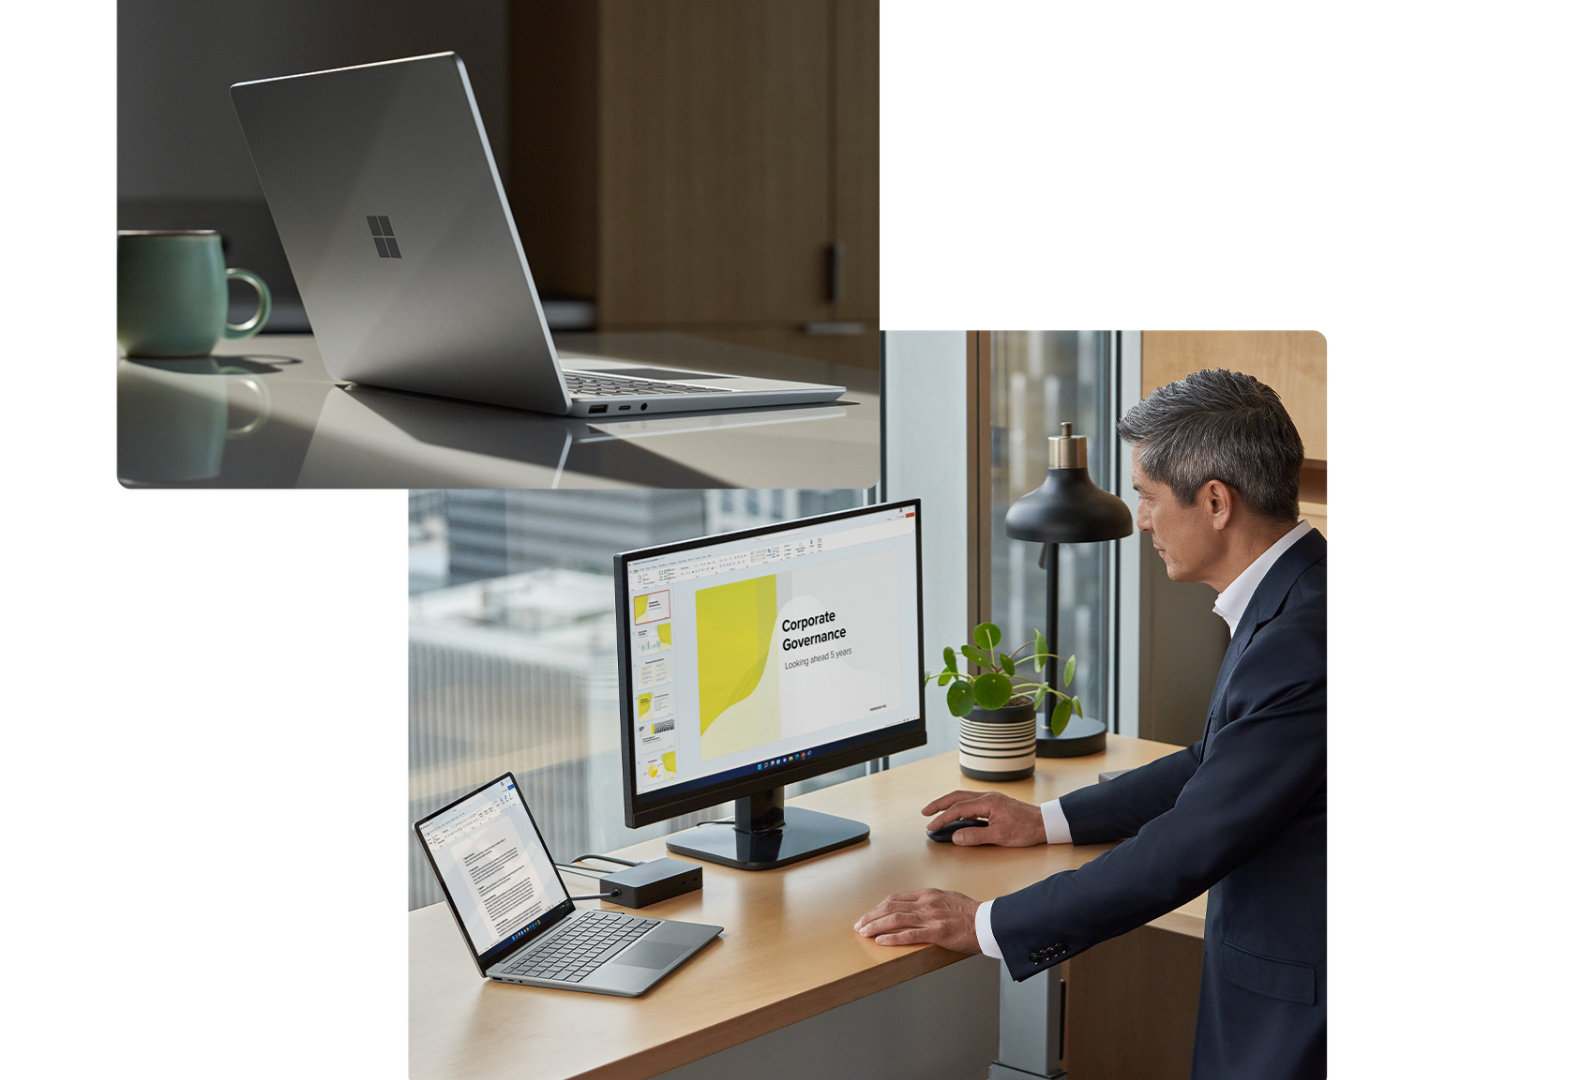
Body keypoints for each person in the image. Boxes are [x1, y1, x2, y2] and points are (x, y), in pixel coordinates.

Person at [855, 368, 1327, 1080]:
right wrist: (1046, 822)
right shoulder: (1307, 594)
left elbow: (1187, 847)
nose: (1139, 520)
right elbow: (1215, 761)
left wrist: (988, 923)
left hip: (1302, 1009)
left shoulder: (1299, 642)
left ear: (1216, 502)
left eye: (1145, 495)